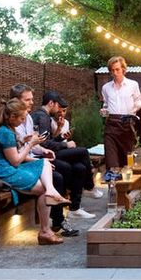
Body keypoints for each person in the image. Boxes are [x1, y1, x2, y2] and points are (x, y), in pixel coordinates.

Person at [0, 98, 70, 245]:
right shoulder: (5, 133)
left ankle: (51, 191)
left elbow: (15, 156)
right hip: (1, 172)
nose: (24, 122)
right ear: (12, 117)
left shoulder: (6, 129)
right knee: (42, 189)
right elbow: (16, 160)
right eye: (22, 118)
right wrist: (30, 144)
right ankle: (45, 231)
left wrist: (27, 146)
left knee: (45, 163)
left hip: (8, 167)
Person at [9, 84, 78, 237]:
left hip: (30, 158)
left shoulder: (27, 117)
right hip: (19, 164)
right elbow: (17, 155)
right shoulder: (12, 123)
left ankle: (60, 217)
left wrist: (43, 150)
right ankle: (57, 221)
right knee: (59, 174)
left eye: (32, 99)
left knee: (68, 167)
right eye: (28, 100)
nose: (32, 103)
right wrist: (37, 159)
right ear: (16, 101)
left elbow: (32, 144)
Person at [31, 91, 96, 219]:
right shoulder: (43, 117)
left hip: (49, 152)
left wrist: (60, 137)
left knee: (80, 167)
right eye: (57, 106)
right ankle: (89, 186)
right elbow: (45, 145)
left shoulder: (42, 116)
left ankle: (74, 208)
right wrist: (66, 145)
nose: (59, 109)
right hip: (45, 155)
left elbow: (47, 141)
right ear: (51, 103)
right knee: (83, 152)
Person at [99, 56, 141, 170]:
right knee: (111, 159)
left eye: (117, 69)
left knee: (127, 159)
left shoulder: (133, 85)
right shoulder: (106, 88)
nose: (115, 72)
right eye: (112, 70)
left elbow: (138, 103)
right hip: (111, 125)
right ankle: (112, 185)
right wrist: (104, 111)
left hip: (126, 123)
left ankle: (127, 186)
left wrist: (132, 112)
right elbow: (106, 105)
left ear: (123, 69)